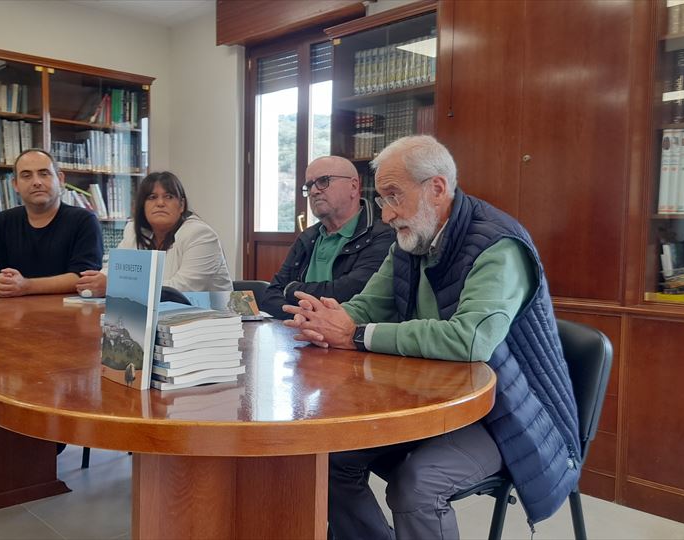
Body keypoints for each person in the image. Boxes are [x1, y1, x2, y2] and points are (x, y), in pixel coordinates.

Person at [284, 136, 580, 539]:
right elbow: (369, 304)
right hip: (435, 398)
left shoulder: (499, 244)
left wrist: (356, 335)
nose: (385, 214)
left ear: (437, 189)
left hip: (506, 412)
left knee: (417, 487)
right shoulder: (412, 237)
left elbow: (469, 341)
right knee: (330, 459)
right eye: (382, 198)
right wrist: (329, 320)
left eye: (392, 196)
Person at [258, 156, 394, 318]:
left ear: (353, 186)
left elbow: (349, 292)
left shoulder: (382, 236)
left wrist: (291, 289)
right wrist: (303, 317)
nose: (314, 191)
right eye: (309, 185)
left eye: (324, 181)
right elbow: (269, 296)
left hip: (351, 340)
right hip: (299, 334)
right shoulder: (307, 237)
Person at [0, 149, 103, 297]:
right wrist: (0, 283)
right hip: (11, 314)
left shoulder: (84, 221)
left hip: (66, 313)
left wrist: (26, 286)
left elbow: (84, 278)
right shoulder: (3, 221)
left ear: (60, 179)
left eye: (44, 174)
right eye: (26, 176)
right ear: (15, 185)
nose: (36, 182)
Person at [76, 171, 232, 296]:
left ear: (182, 205)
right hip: (161, 318)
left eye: (168, 197)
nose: (160, 203)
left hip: (210, 321)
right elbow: (116, 269)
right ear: (142, 206)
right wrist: (99, 280)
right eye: (152, 197)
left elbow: (182, 289)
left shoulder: (200, 235)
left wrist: (114, 286)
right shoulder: (134, 231)